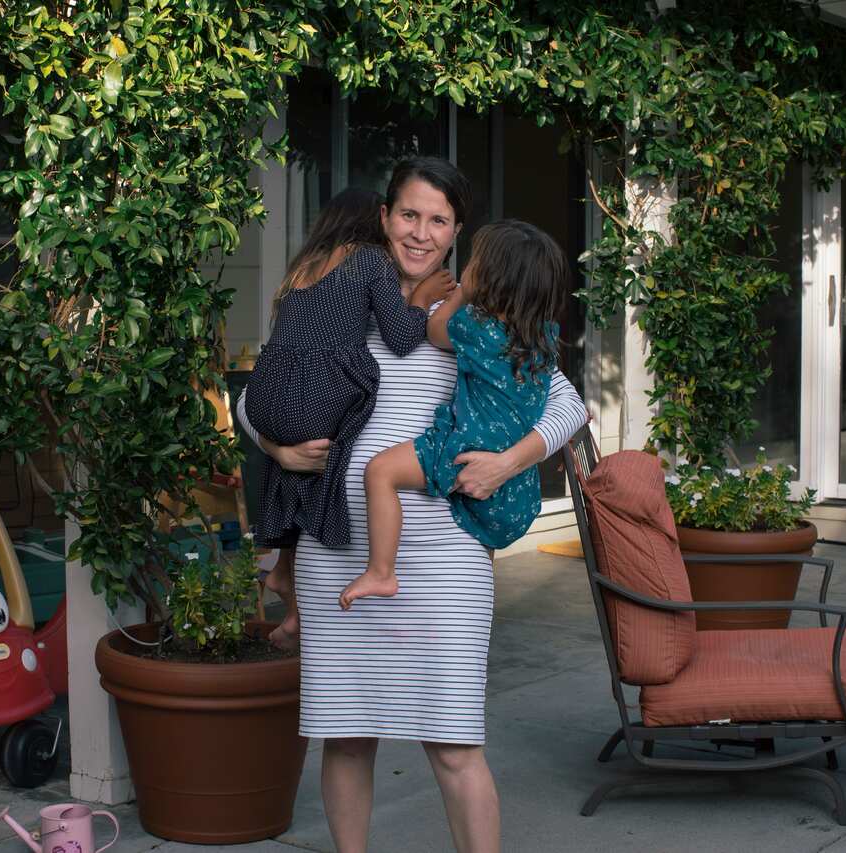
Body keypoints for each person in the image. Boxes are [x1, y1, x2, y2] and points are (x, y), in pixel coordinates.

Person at [238, 157, 586, 853]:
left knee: (453, 742)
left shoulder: (474, 314)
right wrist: (275, 451)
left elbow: (566, 404)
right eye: (408, 214)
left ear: (457, 230)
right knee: (347, 736)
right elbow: (254, 398)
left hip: (445, 556)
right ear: (385, 215)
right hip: (338, 555)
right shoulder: (339, 292)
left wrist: (506, 462)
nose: (420, 232)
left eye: (438, 219)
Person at [243, 188, 454, 645]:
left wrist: (275, 447)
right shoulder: (370, 259)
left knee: (303, 462)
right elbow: (399, 337)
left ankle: (283, 572)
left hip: (268, 392)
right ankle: (287, 577)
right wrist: (422, 296)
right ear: (377, 223)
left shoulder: (302, 268)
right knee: (335, 445)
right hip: (314, 394)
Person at [340, 220, 566, 609]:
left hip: (466, 449)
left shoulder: (477, 328)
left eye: (475, 261)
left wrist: (459, 295)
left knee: (380, 472)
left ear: (489, 279)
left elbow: (434, 329)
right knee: (479, 562)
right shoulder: (543, 337)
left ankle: (381, 571)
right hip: (519, 496)